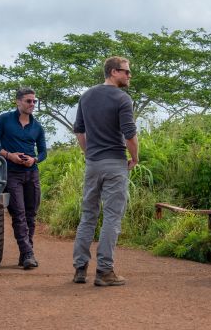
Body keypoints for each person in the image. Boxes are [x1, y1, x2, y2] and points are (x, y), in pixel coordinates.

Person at [72, 56, 138, 287]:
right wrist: (135, 157)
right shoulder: (122, 98)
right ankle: (104, 270)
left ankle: (80, 269)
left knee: (88, 215)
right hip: (115, 163)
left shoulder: (86, 96)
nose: (129, 75)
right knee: (112, 216)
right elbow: (130, 134)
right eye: (126, 71)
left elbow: (79, 131)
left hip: (93, 163)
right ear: (113, 72)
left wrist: (88, 153)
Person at [0, 87, 47, 270]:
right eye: (28, 101)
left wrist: (34, 159)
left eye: (34, 101)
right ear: (18, 101)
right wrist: (9, 155)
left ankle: (26, 253)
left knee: (31, 215)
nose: (32, 104)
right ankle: (28, 253)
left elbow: (43, 152)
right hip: (12, 174)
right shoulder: (4, 119)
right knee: (19, 214)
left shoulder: (37, 127)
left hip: (32, 173)